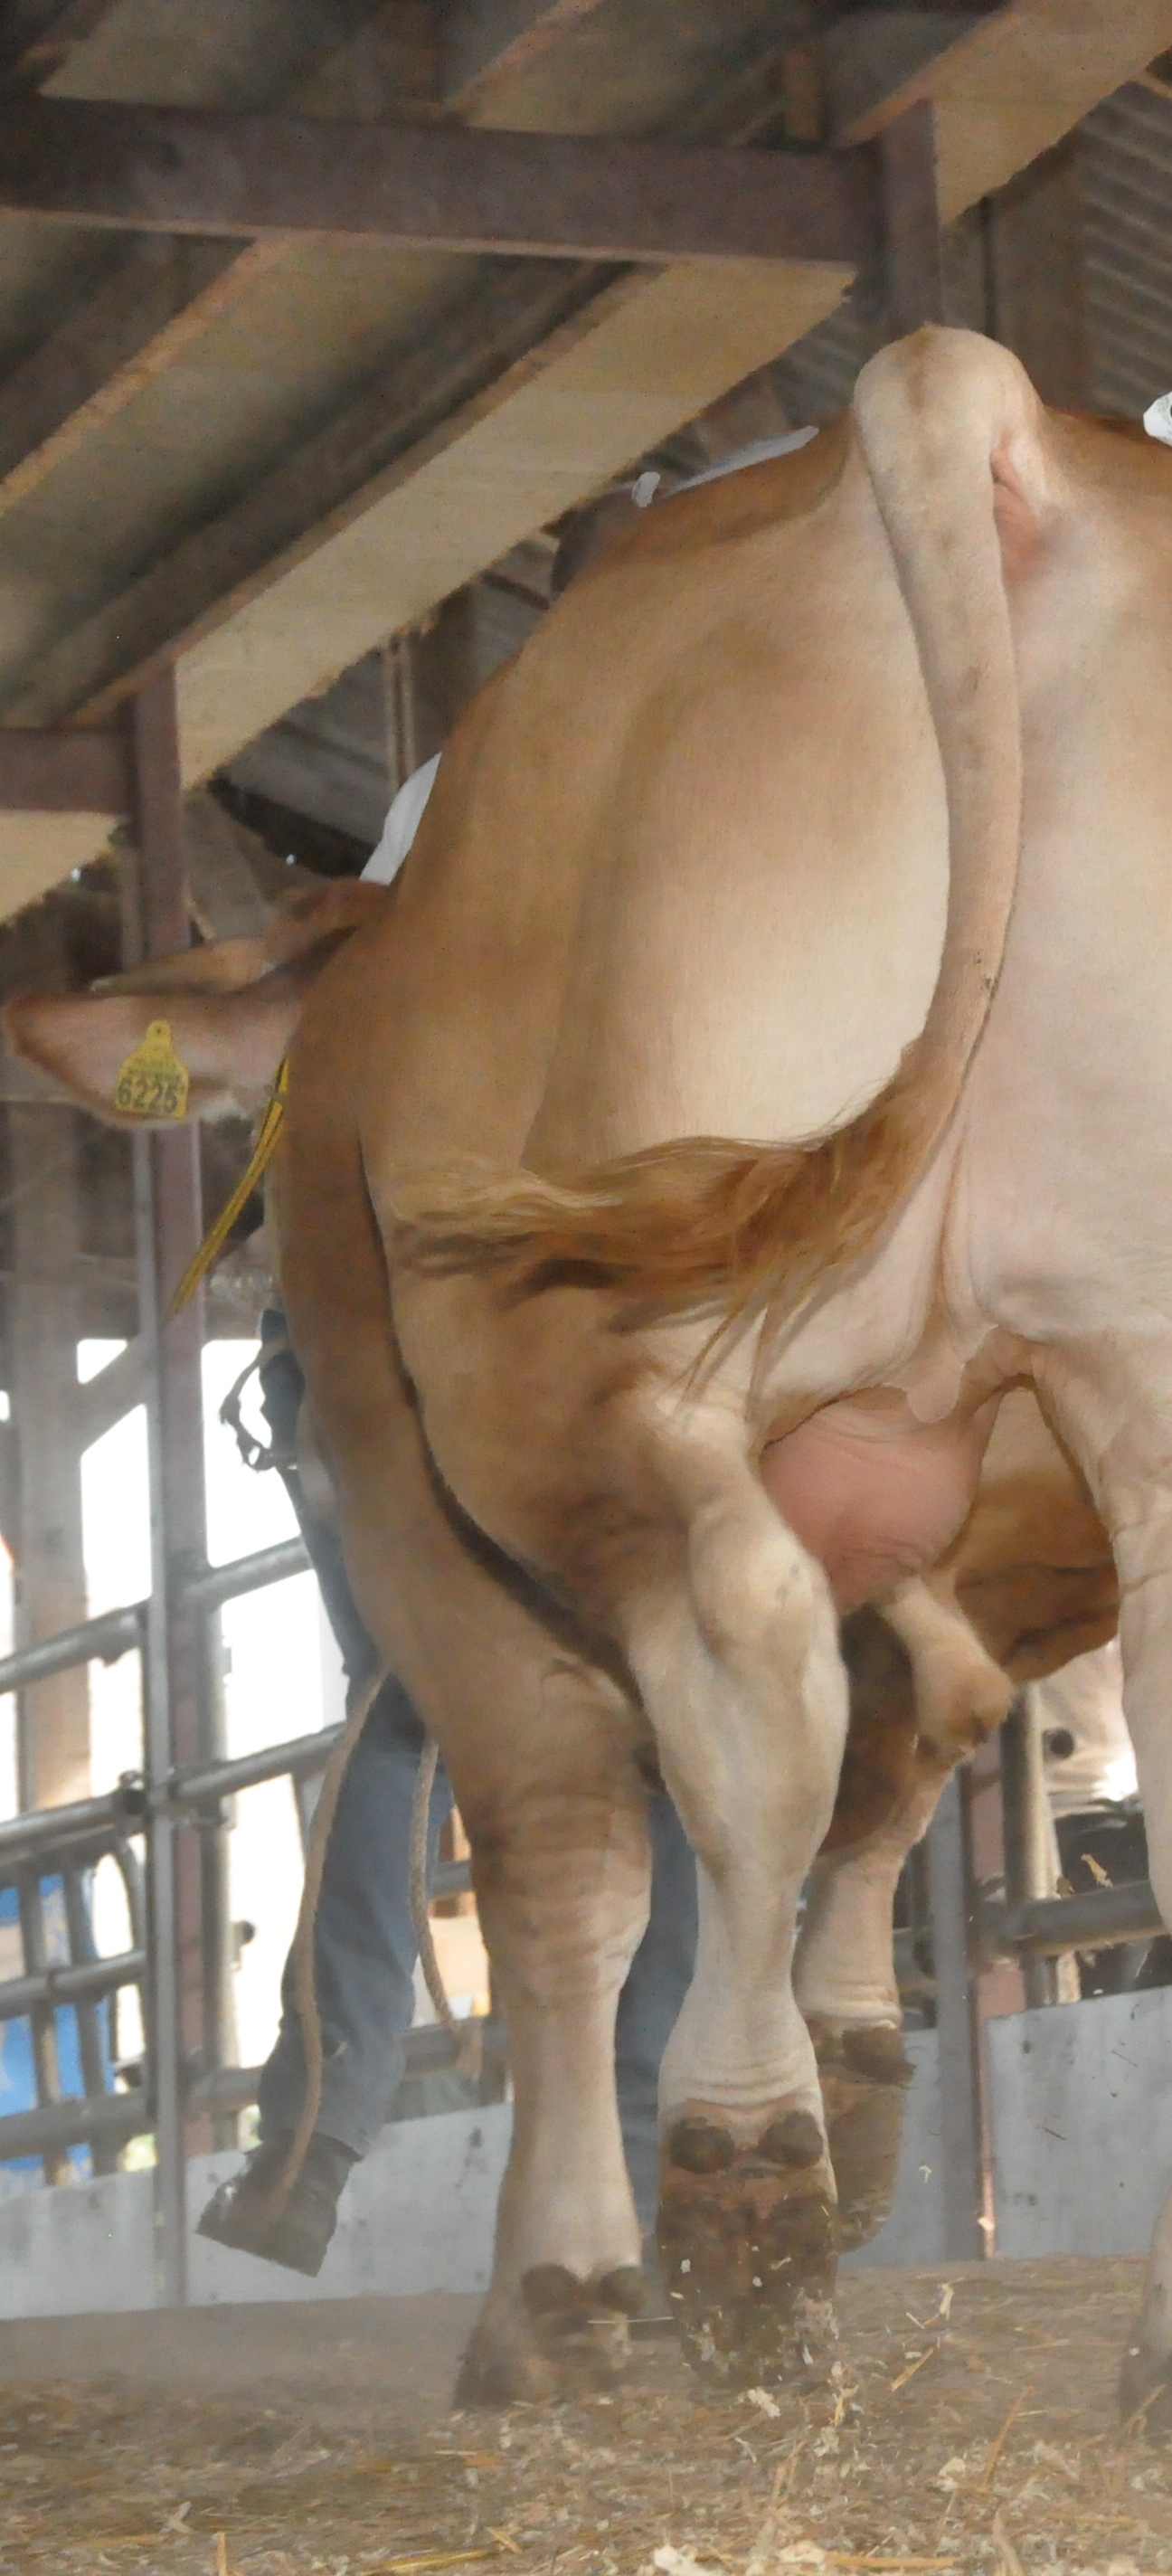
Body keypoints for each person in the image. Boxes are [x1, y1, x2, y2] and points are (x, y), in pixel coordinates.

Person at [199, 755, 700, 2278]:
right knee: (679, 1716)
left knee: (403, 1713)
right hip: (600, 1338)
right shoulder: (655, 877)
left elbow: (199, 1074)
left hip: (397, 1358)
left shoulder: (431, 832)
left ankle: (316, 2129)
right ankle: (640, 2143)